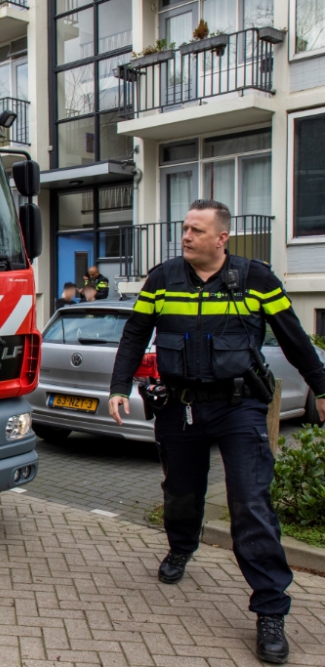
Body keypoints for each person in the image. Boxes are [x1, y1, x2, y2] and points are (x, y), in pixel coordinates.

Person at [107, 200, 325, 665]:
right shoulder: (162, 278)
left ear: (221, 238)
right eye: (184, 228)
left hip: (240, 407)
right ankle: (181, 548)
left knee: (250, 503)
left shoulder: (257, 279)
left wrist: (322, 386)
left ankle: (270, 609)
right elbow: (134, 333)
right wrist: (118, 387)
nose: (185, 236)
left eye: (196, 230)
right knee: (181, 494)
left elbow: (293, 336)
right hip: (180, 408)